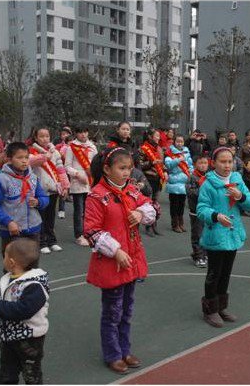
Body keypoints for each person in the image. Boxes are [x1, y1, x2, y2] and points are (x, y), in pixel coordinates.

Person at [83, 146, 156, 374]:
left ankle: (124, 349)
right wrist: (115, 251)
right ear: (107, 169)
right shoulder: (96, 196)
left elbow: (151, 205)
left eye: (129, 168)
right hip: (113, 263)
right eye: (122, 168)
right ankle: (112, 354)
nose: (127, 173)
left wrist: (141, 213)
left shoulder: (132, 191)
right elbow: (91, 231)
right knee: (112, 312)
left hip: (131, 260)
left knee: (127, 309)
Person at [197, 146, 250, 328]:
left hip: (232, 234)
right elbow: (201, 209)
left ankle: (221, 306)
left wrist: (241, 197)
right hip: (216, 235)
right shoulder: (208, 183)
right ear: (213, 163)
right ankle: (210, 309)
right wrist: (215, 215)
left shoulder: (237, 180)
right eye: (223, 162)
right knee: (214, 274)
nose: (227, 165)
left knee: (226, 273)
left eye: (230, 161)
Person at [0, 238, 49, 384]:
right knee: (6, 373)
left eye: (4, 256)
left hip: (29, 339)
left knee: (31, 375)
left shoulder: (35, 285)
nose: (3, 259)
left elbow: (25, 310)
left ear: (11, 262)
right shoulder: (6, 279)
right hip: (8, 338)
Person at [0, 142, 49, 257]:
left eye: (26, 157)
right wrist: (8, 222)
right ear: (9, 159)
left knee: (32, 266)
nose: (24, 161)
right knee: (13, 266)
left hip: (33, 230)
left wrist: (38, 202)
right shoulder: (1, 180)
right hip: (12, 231)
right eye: (19, 158)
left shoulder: (33, 178)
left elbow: (44, 197)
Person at [28, 128, 70, 254]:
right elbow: (31, 162)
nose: (45, 139)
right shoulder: (31, 151)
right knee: (40, 217)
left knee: (51, 217)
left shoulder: (55, 152)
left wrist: (65, 185)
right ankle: (41, 242)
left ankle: (52, 241)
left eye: (47, 136)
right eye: (41, 136)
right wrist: (45, 156)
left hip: (53, 189)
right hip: (39, 191)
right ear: (35, 138)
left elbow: (61, 170)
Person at [65, 126, 98, 246]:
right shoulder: (71, 147)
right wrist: (77, 174)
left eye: (85, 131)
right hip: (77, 182)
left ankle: (88, 232)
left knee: (89, 210)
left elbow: (96, 164)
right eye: (80, 132)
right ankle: (79, 235)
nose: (83, 135)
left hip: (90, 182)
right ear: (76, 134)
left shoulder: (92, 147)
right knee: (79, 210)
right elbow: (67, 166)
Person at [139, 128, 167, 237]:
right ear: (150, 137)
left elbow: (162, 164)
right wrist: (151, 162)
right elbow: (140, 165)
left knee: (155, 204)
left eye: (159, 136)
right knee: (148, 203)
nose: (158, 137)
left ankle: (154, 225)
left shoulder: (159, 149)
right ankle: (148, 226)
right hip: (148, 179)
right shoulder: (143, 148)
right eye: (156, 135)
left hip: (158, 179)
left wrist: (165, 171)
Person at [164, 134, 193, 233]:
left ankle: (181, 223)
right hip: (174, 182)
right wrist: (178, 160)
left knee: (181, 204)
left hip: (184, 182)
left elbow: (190, 165)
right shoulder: (170, 152)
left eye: (181, 141)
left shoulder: (187, 152)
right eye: (178, 141)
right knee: (174, 205)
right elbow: (168, 165)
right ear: (174, 142)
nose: (179, 143)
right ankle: (175, 224)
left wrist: (191, 173)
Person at [186, 154, 210, 268]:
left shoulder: (210, 176)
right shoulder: (192, 177)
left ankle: (204, 254)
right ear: (195, 164)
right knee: (197, 234)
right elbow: (191, 192)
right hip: (196, 211)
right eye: (200, 163)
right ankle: (198, 256)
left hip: (208, 211)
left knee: (206, 233)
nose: (203, 165)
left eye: (205, 163)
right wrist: (205, 192)